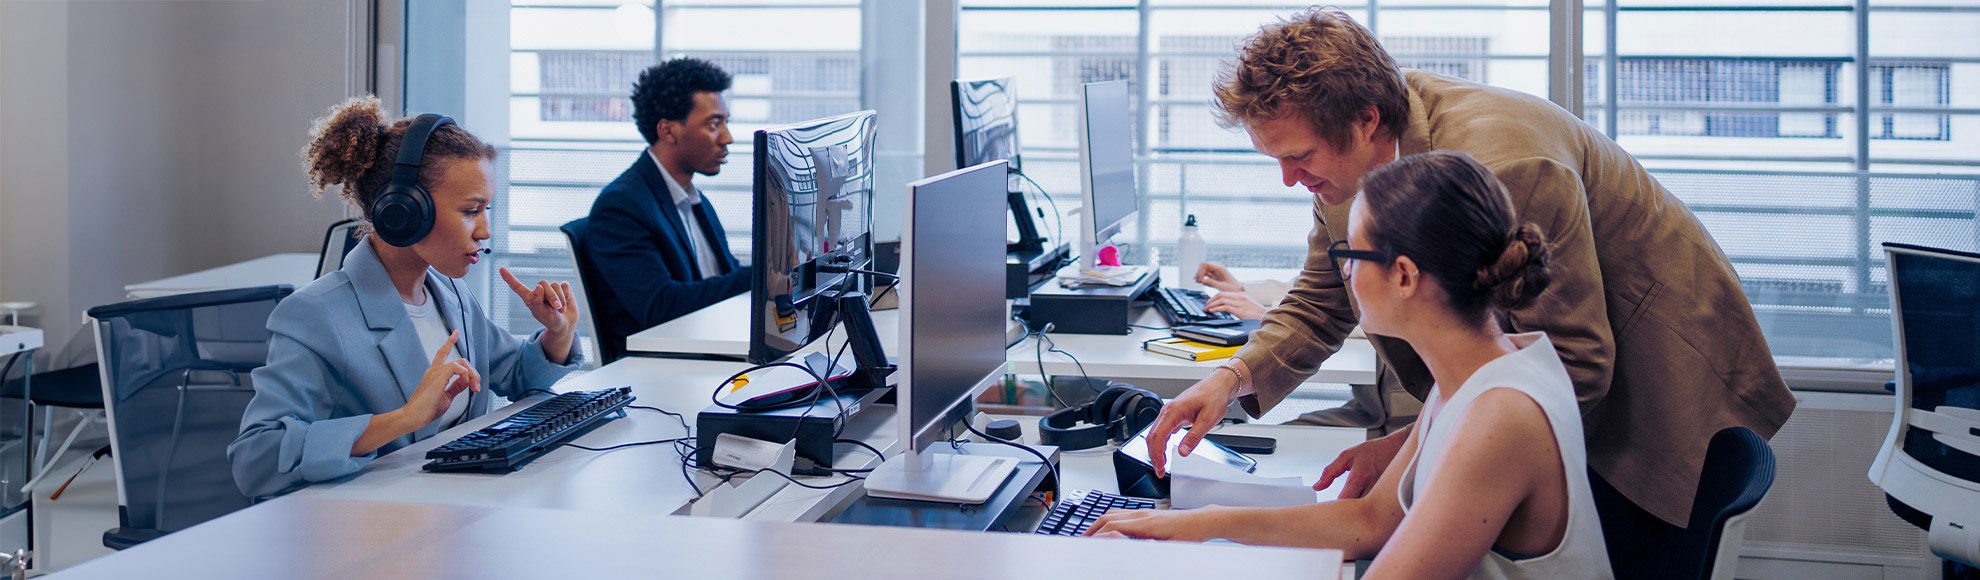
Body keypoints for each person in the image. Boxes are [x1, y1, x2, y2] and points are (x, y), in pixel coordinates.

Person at [1144, 9, 1795, 572]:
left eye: (1299, 156)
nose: (1288, 179)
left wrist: (1424, 448)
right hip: (1525, 401)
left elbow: (1580, 361)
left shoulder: (1501, 167)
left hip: (1655, 371)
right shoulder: (1348, 170)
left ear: (1366, 120)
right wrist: (1229, 379)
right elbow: (1320, 299)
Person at [1094, 152, 1611, 579]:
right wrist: (1195, 525)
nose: (1343, 270)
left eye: (1354, 254)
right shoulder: (1482, 367)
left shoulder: (1500, 415)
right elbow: (1371, 521)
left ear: (1404, 276)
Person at [229, 97, 583, 497]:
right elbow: (255, 457)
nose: (485, 231)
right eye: (471, 211)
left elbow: (516, 373)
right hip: (368, 529)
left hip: (453, 509)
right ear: (405, 212)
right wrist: (405, 418)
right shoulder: (314, 315)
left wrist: (558, 333)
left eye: (487, 210)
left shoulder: (449, 293)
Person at [579, 57, 751, 355]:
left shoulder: (694, 200)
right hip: (663, 369)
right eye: (713, 124)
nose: (727, 138)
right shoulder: (621, 206)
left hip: (710, 347)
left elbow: (725, 275)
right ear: (668, 130)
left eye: (726, 122)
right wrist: (762, 277)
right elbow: (660, 307)